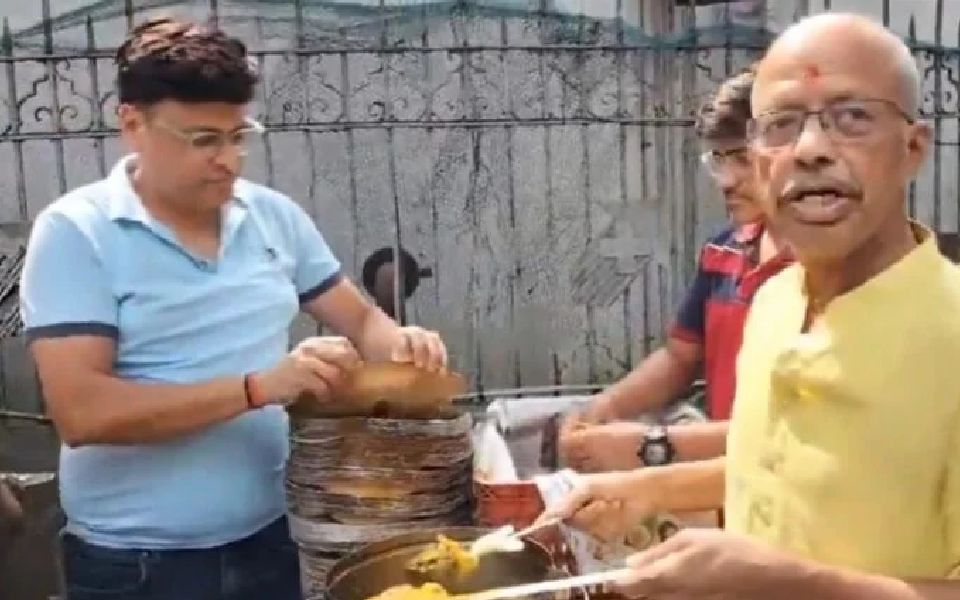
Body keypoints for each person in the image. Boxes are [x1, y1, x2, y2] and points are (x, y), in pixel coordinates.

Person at [20, 18, 448, 600]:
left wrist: (403, 344)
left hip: (270, 541)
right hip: (137, 565)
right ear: (132, 125)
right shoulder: (78, 233)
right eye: (202, 140)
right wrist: (257, 388)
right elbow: (84, 412)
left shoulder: (270, 217)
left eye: (238, 135)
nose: (228, 160)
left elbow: (364, 320)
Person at [542, 13, 960, 599]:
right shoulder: (772, 303)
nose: (811, 148)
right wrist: (646, 491)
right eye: (782, 125)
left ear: (913, 147)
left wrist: (783, 582)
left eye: (853, 118)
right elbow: (771, 472)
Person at [560, 68, 791, 473]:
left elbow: (793, 437)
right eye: (718, 160)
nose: (727, 180)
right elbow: (680, 357)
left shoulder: (826, 274)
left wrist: (651, 445)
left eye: (743, 160)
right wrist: (604, 408)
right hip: (724, 481)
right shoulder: (724, 250)